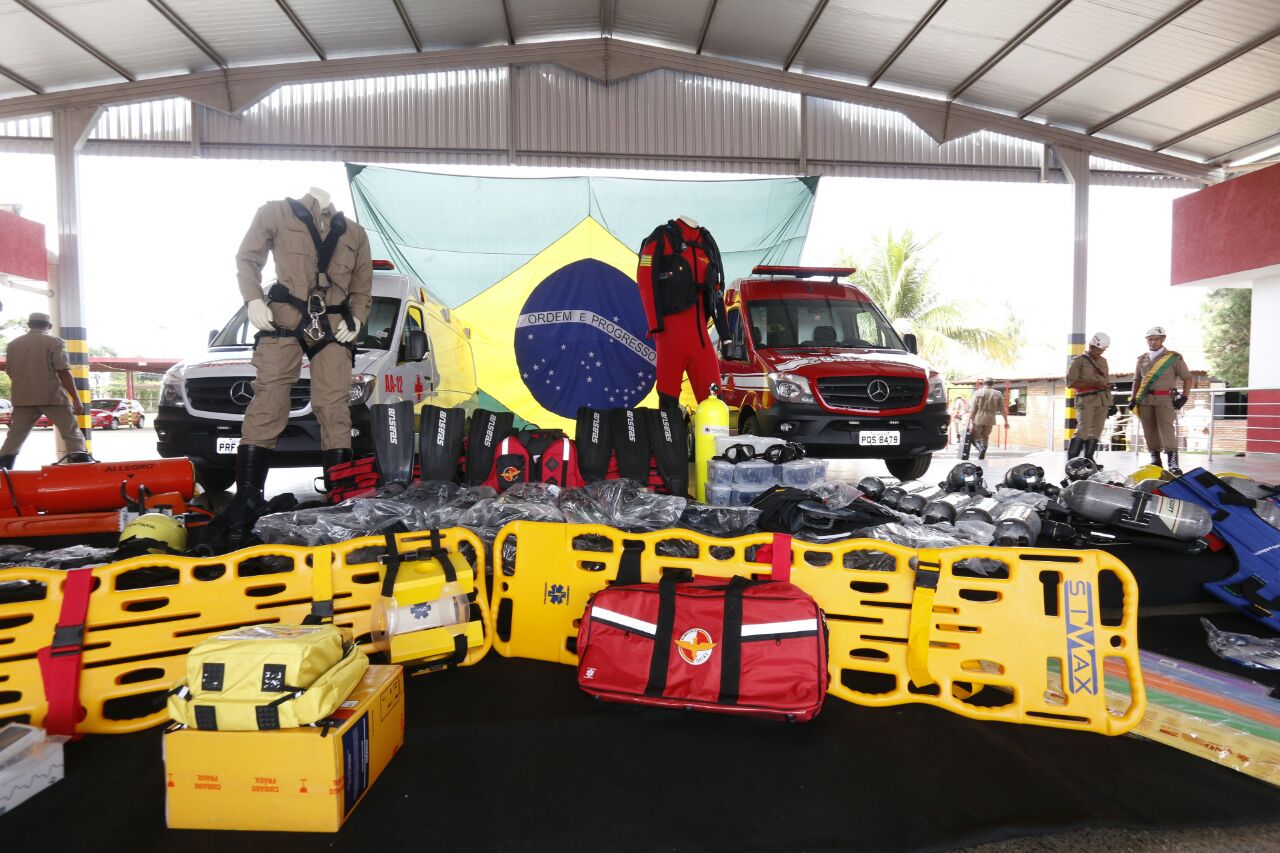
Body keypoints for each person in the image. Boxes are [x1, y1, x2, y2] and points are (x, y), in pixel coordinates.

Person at [0, 312, 91, 468]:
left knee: (15, 437)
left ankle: (3, 471)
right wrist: (76, 399)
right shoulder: (54, 342)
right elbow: (64, 372)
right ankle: (80, 468)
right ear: (49, 326)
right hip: (52, 397)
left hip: (23, 399)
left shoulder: (13, 345)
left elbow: (10, 372)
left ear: (29, 325)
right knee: (71, 434)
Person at [1131, 325, 1192, 473]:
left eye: (1156, 339)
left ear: (1162, 339)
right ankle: (1155, 460)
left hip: (1164, 398)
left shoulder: (1173, 358)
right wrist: (1133, 398)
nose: (1152, 342)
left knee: (1167, 429)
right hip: (1145, 399)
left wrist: (1184, 396)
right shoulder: (1142, 359)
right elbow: (1137, 380)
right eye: (1150, 339)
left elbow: (1187, 378)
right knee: (1149, 430)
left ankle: (1173, 463)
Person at [1065, 332, 1114, 462]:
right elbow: (1070, 383)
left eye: (1102, 350)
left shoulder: (1103, 361)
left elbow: (1105, 383)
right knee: (1083, 430)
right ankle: (1072, 461)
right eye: (1097, 349)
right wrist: (1093, 385)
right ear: (1091, 346)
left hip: (1103, 400)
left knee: (1096, 431)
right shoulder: (1078, 361)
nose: (1099, 352)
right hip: (1086, 400)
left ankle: (1089, 460)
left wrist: (1111, 403)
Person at [965, 377, 1007, 461]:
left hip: (978, 418)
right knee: (985, 437)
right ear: (992, 384)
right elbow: (1002, 409)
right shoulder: (998, 394)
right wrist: (1006, 421)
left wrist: (968, 420)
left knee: (974, 438)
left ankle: (981, 449)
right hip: (990, 419)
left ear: (983, 383)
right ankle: (982, 456)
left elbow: (973, 408)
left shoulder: (978, 393)